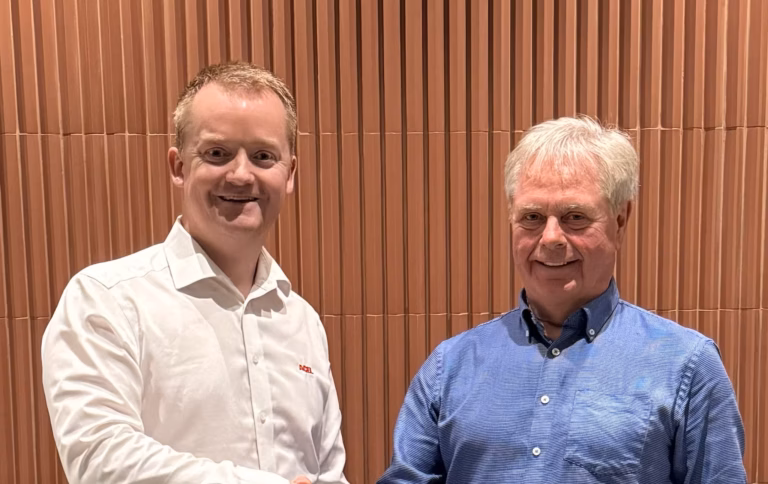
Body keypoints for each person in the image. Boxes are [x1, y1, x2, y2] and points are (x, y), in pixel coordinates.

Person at [377, 116, 746, 483]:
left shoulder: (686, 366)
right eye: (532, 217)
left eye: (575, 217)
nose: (551, 237)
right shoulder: (449, 367)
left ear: (620, 220)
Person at [42, 62, 349, 484]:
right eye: (217, 153)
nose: (241, 174)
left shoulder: (303, 321)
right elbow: (100, 460)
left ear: (290, 173)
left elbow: (329, 473)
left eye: (263, 156)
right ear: (179, 166)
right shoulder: (105, 299)